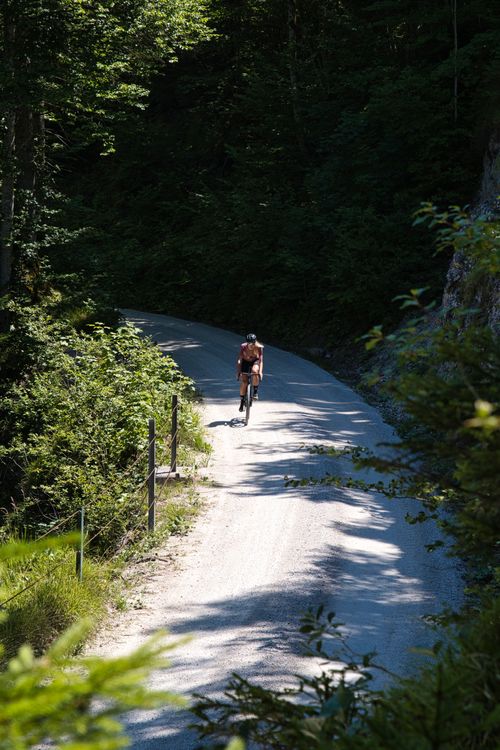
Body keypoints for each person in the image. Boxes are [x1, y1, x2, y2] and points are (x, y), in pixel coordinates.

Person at [237, 333, 264, 412]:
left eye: (252, 343)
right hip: (245, 362)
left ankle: (255, 392)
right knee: (244, 382)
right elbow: (240, 360)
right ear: (247, 342)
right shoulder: (243, 346)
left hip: (255, 361)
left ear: (255, 342)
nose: (251, 345)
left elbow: (261, 361)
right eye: (249, 343)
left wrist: (261, 372)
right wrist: (238, 372)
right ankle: (242, 402)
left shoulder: (259, 347)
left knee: (255, 371)